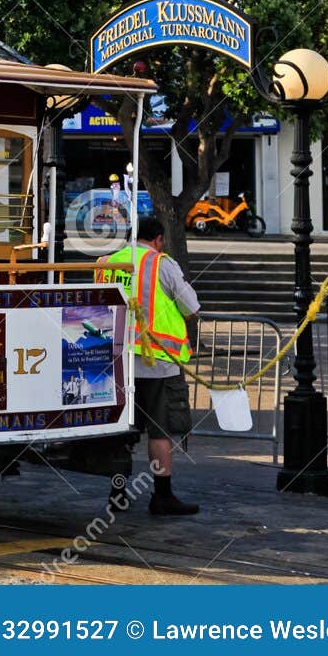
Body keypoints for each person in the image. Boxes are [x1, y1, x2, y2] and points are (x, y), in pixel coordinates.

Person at [98, 216, 201, 517]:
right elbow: (191, 307)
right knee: (160, 431)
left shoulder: (107, 262)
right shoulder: (161, 263)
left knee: (121, 431)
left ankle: (117, 494)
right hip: (156, 364)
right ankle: (162, 496)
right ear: (157, 239)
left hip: (114, 361)